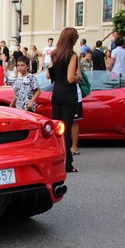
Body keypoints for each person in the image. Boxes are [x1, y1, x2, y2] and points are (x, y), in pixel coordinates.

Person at [49, 27, 81, 173]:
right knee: (66, 129)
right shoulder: (72, 55)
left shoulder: (55, 54)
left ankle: (55, 160)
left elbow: (50, 75)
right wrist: (79, 77)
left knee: (56, 129)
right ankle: (67, 163)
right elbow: (70, 78)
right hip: (69, 95)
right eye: (76, 37)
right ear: (72, 39)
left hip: (56, 94)